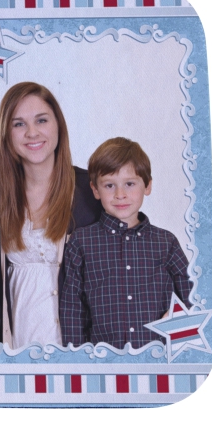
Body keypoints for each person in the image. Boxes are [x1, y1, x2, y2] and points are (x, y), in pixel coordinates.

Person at [0, 82, 101, 349]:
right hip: (18, 349)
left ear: (58, 126)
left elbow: (133, 244)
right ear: (6, 134)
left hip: (80, 351)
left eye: (41, 120)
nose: (32, 132)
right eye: (19, 124)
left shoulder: (90, 191)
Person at [60, 137, 192, 349]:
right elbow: (73, 309)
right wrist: (77, 358)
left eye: (129, 184)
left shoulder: (166, 243)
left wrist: (179, 319)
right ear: (95, 190)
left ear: (147, 185)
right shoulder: (81, 242)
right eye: (109, 185)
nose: (120, 195)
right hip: (103, 360)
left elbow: (193, 294)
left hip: (157, 357)